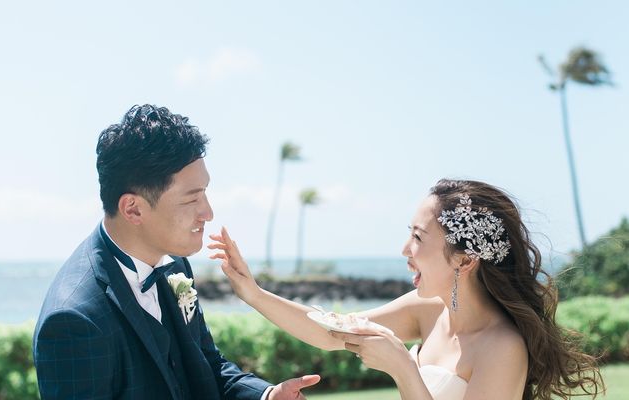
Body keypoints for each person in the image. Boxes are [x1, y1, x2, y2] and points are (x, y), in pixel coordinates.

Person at [209, 179, 605, 400]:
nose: (404, 250)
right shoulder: (425, 309)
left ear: (465, 260)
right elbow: (331, 332)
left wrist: (403, 369)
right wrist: (253, 293)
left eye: (418, 238)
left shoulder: (502, 347)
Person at [33, 104, 320, 400]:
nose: (208, 213)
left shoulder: (175, 263)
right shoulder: (73, 321)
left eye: (205, 193)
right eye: (191, 199)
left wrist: (267, 396)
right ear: (133, 209)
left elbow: (206, 366)